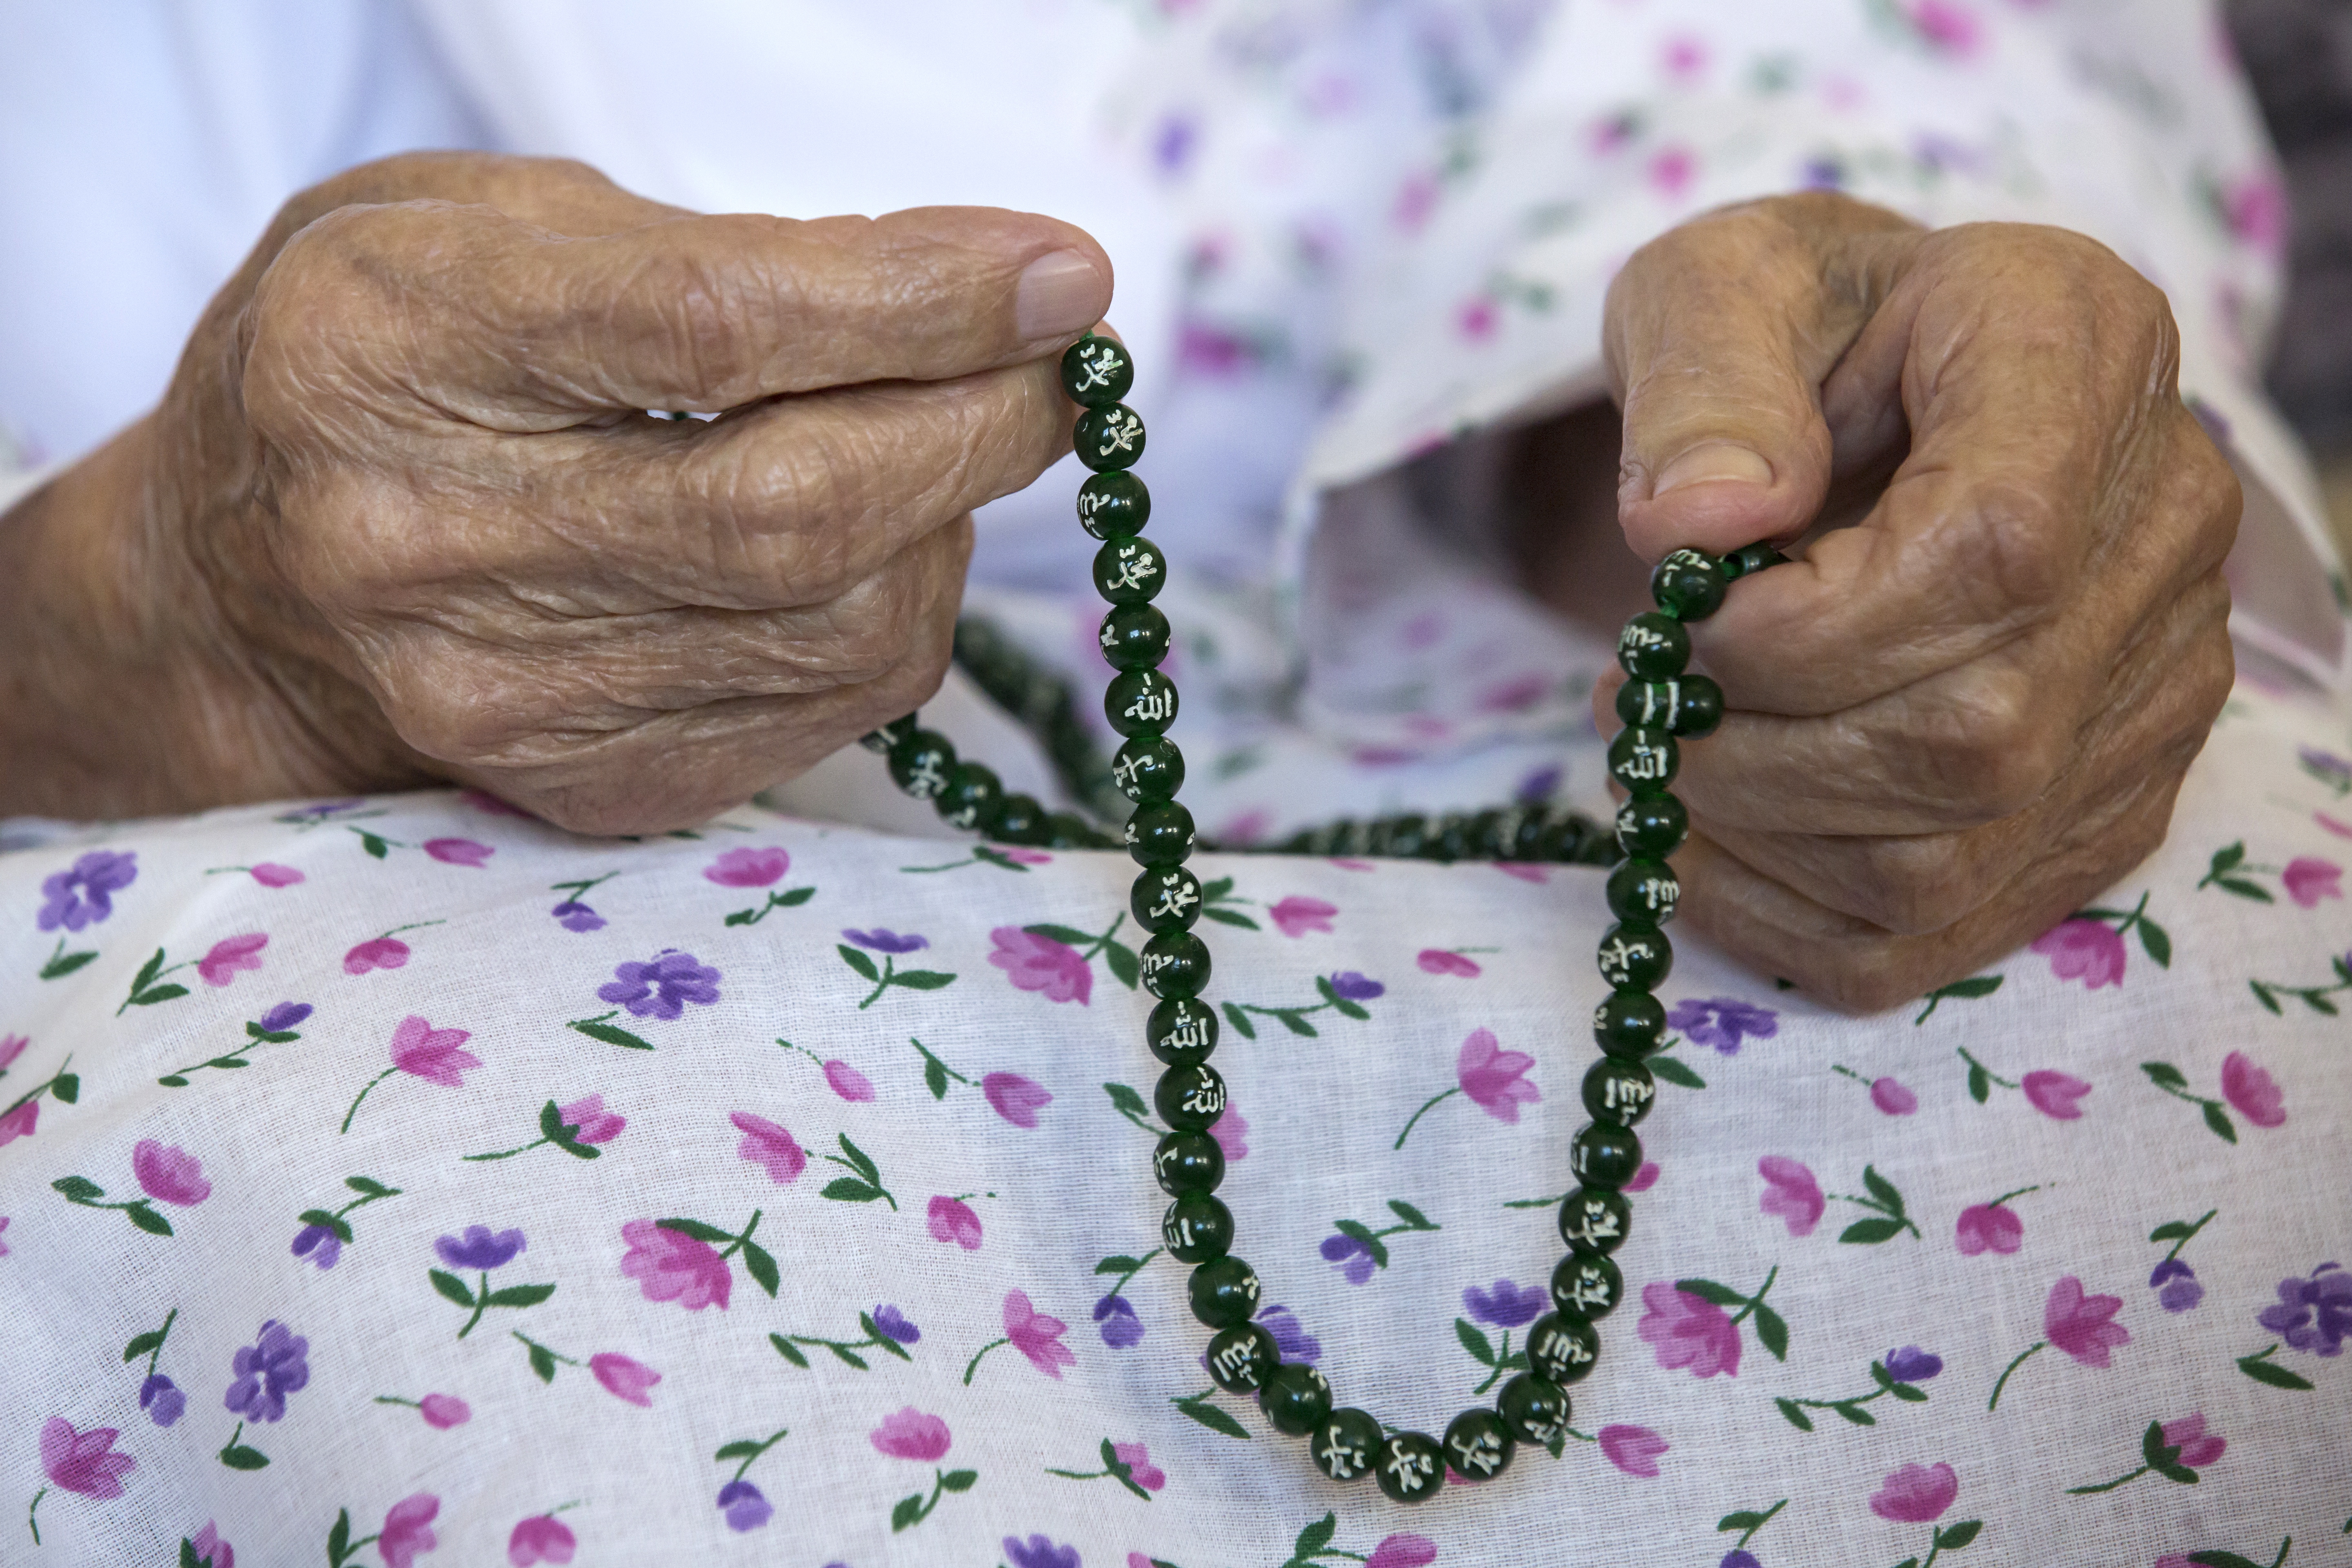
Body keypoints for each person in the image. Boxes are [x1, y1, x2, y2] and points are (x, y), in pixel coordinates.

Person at [0, 5, 2343, 1566]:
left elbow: (1906, 80)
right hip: (293, 777)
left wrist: (1769, 420)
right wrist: (122, 602)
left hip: (1533, 626)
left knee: (2211, 1049)